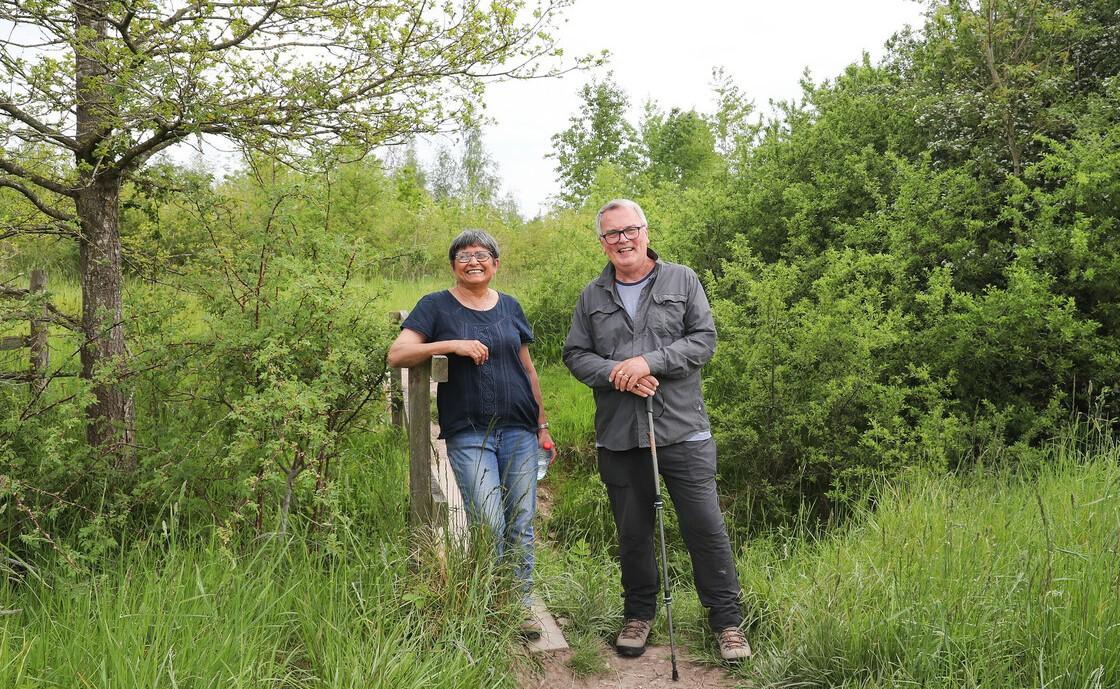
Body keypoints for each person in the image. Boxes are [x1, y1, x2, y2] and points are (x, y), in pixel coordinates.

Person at [562, 199, 752, 661]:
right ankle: (639, 614)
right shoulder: (592, 295)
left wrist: (650, 361)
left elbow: (703, 340)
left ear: (645, 231)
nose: (622, 240)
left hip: (683, 429)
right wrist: (617, 373)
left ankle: (727, 623)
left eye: (629, 230)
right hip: (620, 433)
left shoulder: (682, 279)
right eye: (611, 234)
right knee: (633, 531)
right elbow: (575, 354)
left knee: (705, 527)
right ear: (601, 242)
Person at [387, 229, 553, 638]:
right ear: (453, 265)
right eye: (464, 255)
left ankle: (517, 605)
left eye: (482, 254)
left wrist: (542, 425)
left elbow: (527, 369)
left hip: (519, 428)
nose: (473, 261)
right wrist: (452, 344)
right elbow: (398, 353)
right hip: (469, 432)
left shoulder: (511, 306)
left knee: (521, 520)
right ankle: (486, 601)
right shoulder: (435, 306)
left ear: (496, 264)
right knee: (490, 521)